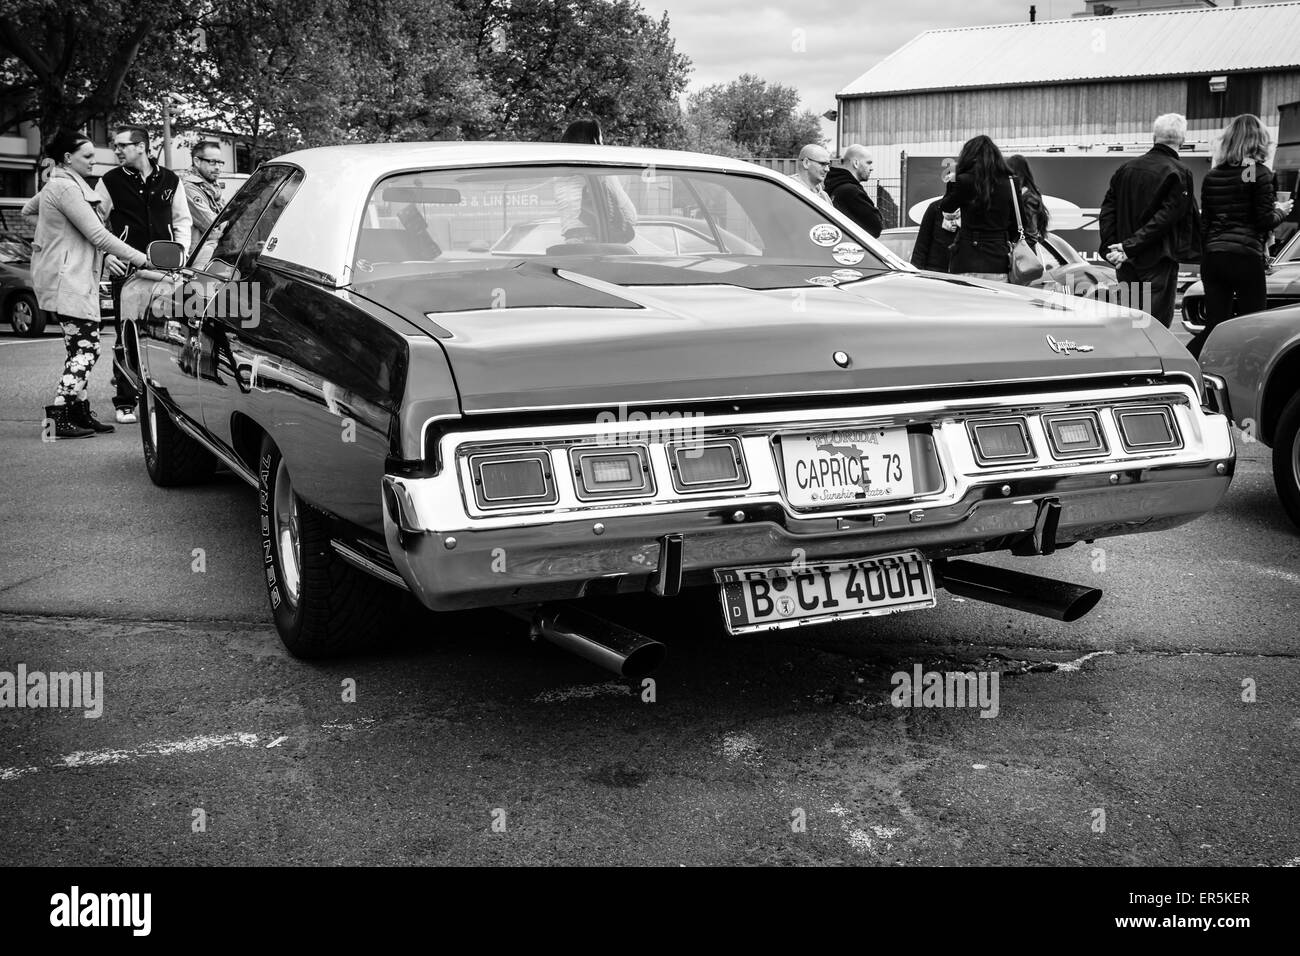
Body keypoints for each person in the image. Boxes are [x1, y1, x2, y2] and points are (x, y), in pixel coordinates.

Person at [22, 130, 148, 439]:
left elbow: (29, 212)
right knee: (87, 349)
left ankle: (78, 413)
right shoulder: (65, 188)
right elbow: (99, 235)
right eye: (87, 156)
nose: (94, 161)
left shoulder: (66, 185)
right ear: (68, 158)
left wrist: (55, 235)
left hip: (72, 278)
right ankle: (57, 420)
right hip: (69, 279)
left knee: (78, 349)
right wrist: (144, 259)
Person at [97, 125, 191, 423]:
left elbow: (182, 221)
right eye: (115, 145)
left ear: (141, 146)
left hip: (165, 271)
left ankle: (166, 397)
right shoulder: (108, 181)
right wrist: (107, 254)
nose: (117, 150)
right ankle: (125, 400)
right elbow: (94, 224)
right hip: (126, 270)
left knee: (166, 334)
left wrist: (181, 253)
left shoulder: (170, 179)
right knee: (127, 335)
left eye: (122, 145)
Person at [1187, 114, 1294, 357]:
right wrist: (1281, 211)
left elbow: (1206, 223)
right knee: (1252, 325)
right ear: (1259, 141)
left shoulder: (1213, 175)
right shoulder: (1257, 172)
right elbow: (1263, 220)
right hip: (1244, 258)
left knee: (1216, 325)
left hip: (1214, 258)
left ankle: (1186, 362)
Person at [1098, 113, 1201, 328]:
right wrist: (1129, 247)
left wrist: (1114, 249)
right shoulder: (1180, 173)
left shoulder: (1126, 169)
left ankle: (1127, 359)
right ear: (1182, 140)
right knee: (1154, 326)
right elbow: (1168, 218)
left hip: (1126, 263)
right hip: (1158, 261)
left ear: (1154, 137)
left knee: (1128, 322)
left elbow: (1108, 210)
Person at [939, 135, 1017, 280]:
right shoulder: (1011, 182)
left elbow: (946, 207)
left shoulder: (964, 180)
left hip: (966, 260)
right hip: (998, 261)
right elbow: (1018, 224)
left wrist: (953, 181)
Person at [555, 118, 636, 244]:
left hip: (571, 245)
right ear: (594, 143)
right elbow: (631, 216)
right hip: (599, 245)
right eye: (601, 141)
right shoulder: (602, 174)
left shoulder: (558, 176)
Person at [823, 145, 882, 237]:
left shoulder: (834, 187)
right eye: (868, 163)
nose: (871, 168)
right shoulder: (851, 192)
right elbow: (876, 227)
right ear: (856, 163)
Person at [181, 141, 226, 256]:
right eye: (212, 162)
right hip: (196, 257)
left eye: (220, 162)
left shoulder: (211, 186)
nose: (217, 167)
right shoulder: (188, 187)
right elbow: (213, 224)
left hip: (212, 251)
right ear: (197, 161)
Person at [911, 162, 957, 272]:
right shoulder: (935, 208)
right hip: (935, 272)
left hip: (959, 272)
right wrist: (916, 273)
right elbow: (921, 245)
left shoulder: (969, 210)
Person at [1006, 154, 1050, 246]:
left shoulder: (1029, 198)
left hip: (1023, 255)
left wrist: (1012, 247)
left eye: (1009, 172)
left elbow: (1031, 236)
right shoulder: (1019, 195)